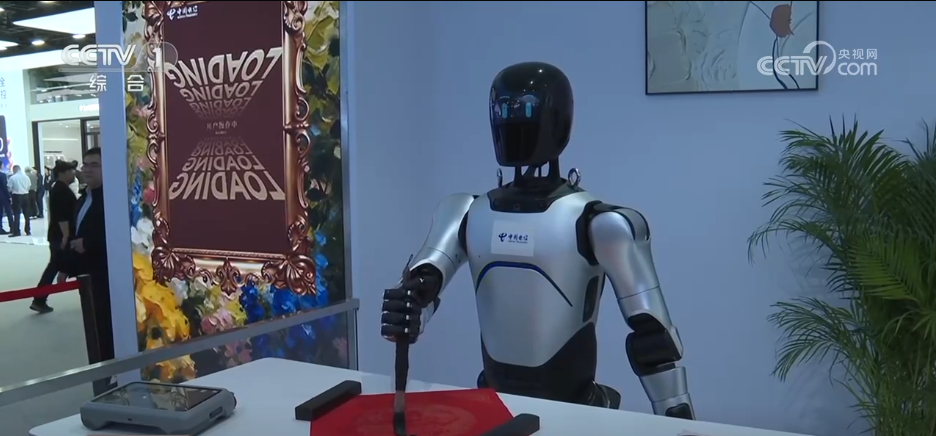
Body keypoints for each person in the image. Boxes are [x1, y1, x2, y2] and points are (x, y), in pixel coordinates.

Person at [379, 62, 695, 418]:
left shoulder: (598, 222)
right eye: (504, 110)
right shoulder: (469, 212)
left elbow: (653, 335)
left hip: (574, 411)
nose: (513, 121)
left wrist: (676, 416)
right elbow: (425, 280)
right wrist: (412, 304)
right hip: (495, 406)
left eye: (524, 109)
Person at [69, 148, 114, 364]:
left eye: (94, 165)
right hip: (86, 275)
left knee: (105, 327)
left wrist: (87, 243)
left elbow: (116, 234)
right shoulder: (84, 198)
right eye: (85, 165)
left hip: (104, 275)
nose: (87, 169)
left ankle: (109, 371)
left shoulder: (111, 200)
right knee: (93, 327)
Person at [31, 161, 78, 314]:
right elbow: (62, 216)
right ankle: (39, 299)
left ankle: (39, 299)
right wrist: (66, 235)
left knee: (54, 266)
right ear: (62, 173)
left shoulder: (58, 188)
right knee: (55, 266)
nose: (74, 173)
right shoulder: (61, 190)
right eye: (71, 171)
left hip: (58, 235)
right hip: (61, 236)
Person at [8, 165, 32, 237]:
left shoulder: (12, 178)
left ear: (14, 170)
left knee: (17, 214)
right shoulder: (26, 177)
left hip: (17, 196)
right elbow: (29, 186)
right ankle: (28, 230)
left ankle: (17, 231)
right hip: (26, 195)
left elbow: (9, 188)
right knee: (27, 214)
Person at [0, 170, 13, 235]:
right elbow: (5, 186)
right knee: (9, 212)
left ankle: (0, 229)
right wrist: (9, 196)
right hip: (3, 196)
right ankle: (12, 228)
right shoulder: (2, 175)